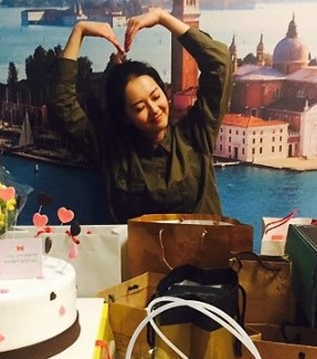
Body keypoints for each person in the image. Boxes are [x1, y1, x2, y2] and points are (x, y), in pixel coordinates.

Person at [47, 8, 232, 223]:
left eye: (156, 96)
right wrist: (79, 31)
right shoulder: (112, 149)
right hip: (135, 245)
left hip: (204, 242)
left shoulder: (196, 134)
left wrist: (163, 18)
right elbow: (61, 106)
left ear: (165, 92)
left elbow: (219, 63)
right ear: (125, 115)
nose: (154, 109)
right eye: (139, 107)